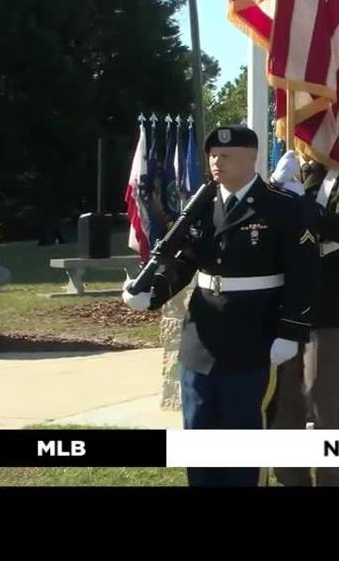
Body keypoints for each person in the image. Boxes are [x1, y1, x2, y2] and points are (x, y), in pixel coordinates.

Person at [121, 124, 318, 487]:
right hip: (201, 336)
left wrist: (290, 331)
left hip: (253, 336)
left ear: (250, 158)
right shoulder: (201, 205)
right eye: (212, 155)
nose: (216, 162)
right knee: (199, 432)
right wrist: (151, 294)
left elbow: (303, 274)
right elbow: (186, 261)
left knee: (242, 434)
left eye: (225, 155)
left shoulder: (283, 207)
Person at [266, 150, 339, 488]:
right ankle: (291, 477)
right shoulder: (288, 176)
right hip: (287, 305)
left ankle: (328, 478)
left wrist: (300, 202)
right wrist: (274, 187)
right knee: (286, 400)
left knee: (324, 398)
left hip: (329, 306)